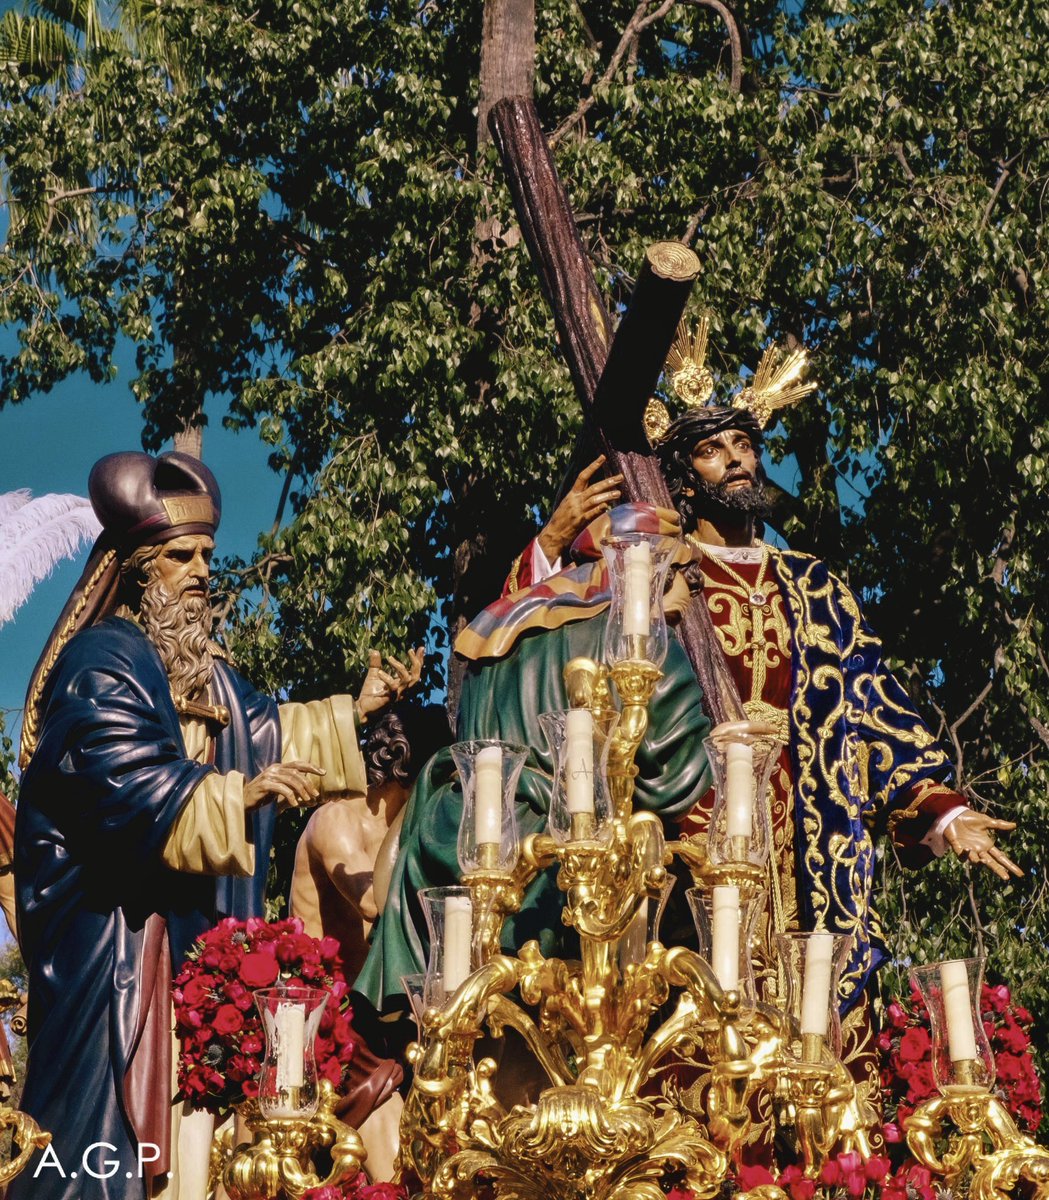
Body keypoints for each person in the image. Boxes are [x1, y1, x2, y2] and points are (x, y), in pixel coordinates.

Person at [357, 333, 1018, 1127]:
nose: (736, 461)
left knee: (817, 1051)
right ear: (681, 474)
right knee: (687, 1039)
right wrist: (555, 538)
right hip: (684, 839)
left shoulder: (811, 585)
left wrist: (944, 811)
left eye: (744, 444)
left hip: (809, 844)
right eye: (711, 451)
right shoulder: (652, 573)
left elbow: (873, 705)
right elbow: (528, 626)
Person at [11, 451, 421, 1200]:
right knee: (103, 1145)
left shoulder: (205, 674)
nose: (201, 569)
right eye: (181, 556)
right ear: (138, 569)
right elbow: (124, 788)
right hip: (117, 954)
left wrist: (351, 714)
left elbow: (263, 733)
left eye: (206, 555)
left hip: (190, 941)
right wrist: (239, 796)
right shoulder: (100, 661)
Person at [290, 699, 450, 1181]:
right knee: (387, 1120)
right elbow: (376, 905)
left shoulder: (402, 825)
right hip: (326, 1015)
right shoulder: (337, 820)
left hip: (380, 1014)